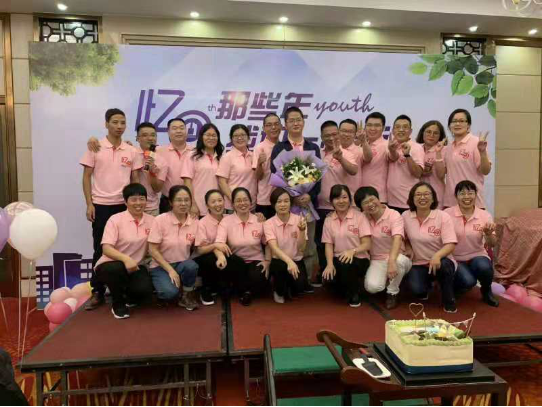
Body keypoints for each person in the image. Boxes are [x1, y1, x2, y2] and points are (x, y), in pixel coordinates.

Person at [80, 109, 143, 311]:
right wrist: (89, 204)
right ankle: (97, 291)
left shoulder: (131, 151)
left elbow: (135, 179)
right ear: (106, 124)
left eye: (122, 122)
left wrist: (135, 204)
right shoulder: (95, 147)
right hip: (101, 206)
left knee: (126, 247)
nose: (119, 126)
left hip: (125, 206)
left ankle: (123, 288)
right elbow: (86, 177)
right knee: (100, 248)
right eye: (115, 122)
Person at [270, 107, 322, 286]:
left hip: (308, 204)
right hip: (288, 205)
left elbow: (318, 177)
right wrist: (293, 197)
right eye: (291, 120)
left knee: (307, 243)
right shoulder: (279, 147)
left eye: (298, 119)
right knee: (288, 243)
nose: (295, 123)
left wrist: (309, 195)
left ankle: (304, 280)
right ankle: (288, 280)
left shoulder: (313, 147)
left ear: (303, 122)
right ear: (285, 125)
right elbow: (276, 174)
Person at [94, 183, 154, 319]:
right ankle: (118, 303)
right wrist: (126, 259)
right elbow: (106, 248)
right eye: (133, 199)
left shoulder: (152, 221)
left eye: (142, 199)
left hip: (136, 266)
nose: (138, 203)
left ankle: (127, 293)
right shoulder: (115, 220)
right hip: (111, 264)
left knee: (144, 292)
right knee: (115, 269)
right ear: (126, 202)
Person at [403, 182, 458, 313]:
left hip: (441, 261)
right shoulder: (405, 216)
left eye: (426, 194)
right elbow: (403, 238)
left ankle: (449, 299)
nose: (422, 197)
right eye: (418, 194)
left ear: (433, 198)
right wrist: (408, 248)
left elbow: (451, 243)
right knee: (418, 290)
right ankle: (428, 284)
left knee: (445, 267)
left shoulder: (442, 216)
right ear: (412, 199)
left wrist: (437, 256)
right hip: (418, 262)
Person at [355, 187, 412, 310]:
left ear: (378, 198)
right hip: (377, 259)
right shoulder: (362, 217)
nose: (370, 204)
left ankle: (392, 292)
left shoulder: (393, 214)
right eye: (365, 203)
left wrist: (391, 261)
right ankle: (390, 279)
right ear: (361, 207)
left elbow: (398, 238)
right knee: (372, 287)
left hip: (398, 256)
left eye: (372, 199)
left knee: (398, 262)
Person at [445, 181, 499, 307]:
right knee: (468, 281)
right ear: (456, 196)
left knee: (485, 267)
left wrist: (488, 234)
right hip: (454, 258)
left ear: (476, 195)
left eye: (470, 193)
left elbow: (492, 244)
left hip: (477, 255)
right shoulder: (446, 214)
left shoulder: (484, 215)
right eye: (462, 193)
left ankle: (486, 291)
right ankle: (453, 287)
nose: (466, 197)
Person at [215, 188, 271, 306]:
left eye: (245, 200)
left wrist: (267, 261)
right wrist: (220, 256)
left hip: (255, 260)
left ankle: (243, 290)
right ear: (233, 204)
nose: (242, 203)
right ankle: (246, 291)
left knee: (260, 278)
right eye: (238, 200)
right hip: (236, 262)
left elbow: (268, 243)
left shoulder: (259, 220)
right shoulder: (226, 221)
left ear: (250, 202)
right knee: (234, 264)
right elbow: (219, 243)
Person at [148, 185, 200, 311]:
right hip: (161, 266)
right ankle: (160, 284)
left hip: (182, 263)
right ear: (171, 202)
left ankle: (187, 294)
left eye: (186, 200)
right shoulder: (160, 220)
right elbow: (152, 250)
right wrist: (170, 270)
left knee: (191, 266)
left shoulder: (195, 222)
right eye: (178, 200)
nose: (183, 203)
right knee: (169, 293)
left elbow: (200, 246)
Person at [316, 121, 358, 274]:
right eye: (327, 135)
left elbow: (353, 170)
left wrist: (340, 158)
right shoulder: (317, 154)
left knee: (342, 242)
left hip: (341, 207)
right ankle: (325, 273)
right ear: (321, 136)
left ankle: (341, 273)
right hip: (320, 207)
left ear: (339, 134)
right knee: (321, 243)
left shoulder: (346, 153)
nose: (331, 138)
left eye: (334, 134)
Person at [322, 185, 372, 308]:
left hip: (359, 258)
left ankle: (354, 294)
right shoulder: (328, 220)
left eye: (344, 197)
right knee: (329, 279)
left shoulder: (359, 217)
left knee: (347, 265)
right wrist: (329, 264)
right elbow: (328, 244)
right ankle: (346, 287)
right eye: (337, 198)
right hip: (338, 258)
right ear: (331, 201)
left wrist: (352, 251)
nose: (341, 201)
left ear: (350, 199)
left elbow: (367, 244)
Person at [264, 188, 311, 304]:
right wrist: (289, 262)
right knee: (281, 270)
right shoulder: (268, 223)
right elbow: (274, 248)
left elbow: (301, 248)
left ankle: (289, 287)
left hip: (296, 260)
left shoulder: (300, 220)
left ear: (291, 203)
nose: (283, 204)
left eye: (286, 201)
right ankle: (278, 290)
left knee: (300, 286)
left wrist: (301, 231)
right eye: (279, 202)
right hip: (279, 261)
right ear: (273, 204)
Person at [443, 109, 492, 209]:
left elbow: (485, 171)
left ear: (468, 125)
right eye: (454, 121)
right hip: (451, 202)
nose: (457, 124)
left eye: (461, 121)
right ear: (449, 126)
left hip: (472, 202)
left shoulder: (476, 142)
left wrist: (482, 152)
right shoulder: (448, 148)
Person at [195, 189, 232, 306]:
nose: (217, 204)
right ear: (207, 206)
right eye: (213, 202)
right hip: (205, 256)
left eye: (220, 200)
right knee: (210, 259)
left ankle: (222, 286)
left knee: (236, 260)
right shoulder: (202, 223)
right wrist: (215, 245)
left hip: (225, 254)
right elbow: (200, 250)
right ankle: (205, 289)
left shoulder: (229, 218)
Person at [182, 123, 224, 218]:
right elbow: (187, 182)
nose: (211, 138)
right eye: (208, 135)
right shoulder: (192, 155)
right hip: (197, 207)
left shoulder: (221, 157)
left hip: (216, 207)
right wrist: (192, 204)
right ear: (201, 137)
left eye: (214, 135)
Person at [387, 115, 425, 214]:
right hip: (390, 201)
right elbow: (393, 158)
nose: (401, 130)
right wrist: (392, 150)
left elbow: (418, 173)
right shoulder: (390, 146)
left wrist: (407, 155)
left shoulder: (416, 147)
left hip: (407, 202)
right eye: (398, 127)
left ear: (410, 131)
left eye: (405, 127)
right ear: (393, 130)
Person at [217, 124, 257, 213]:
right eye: (236, 136)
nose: (239, 138)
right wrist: (234, 200)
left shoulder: (253, 156)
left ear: (248, 137)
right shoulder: (227, 157)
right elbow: (222, 182)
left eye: (243, 135)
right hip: (233, 206)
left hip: (251, 205)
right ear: (231, 139)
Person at [157, 118, 193, 213]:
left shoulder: (195, 151)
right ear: (168, 132)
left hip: (190, 200)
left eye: (181, 128)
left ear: (186, 131)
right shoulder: (159, 151)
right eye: (174, 128)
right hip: (167, 201)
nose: (178, 131)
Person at [252, 113, 282, 219]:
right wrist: (260, 164)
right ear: (264, 128)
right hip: (265, 201)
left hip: (283, 199)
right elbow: (258, 177)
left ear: (281, 126)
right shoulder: (259, 148)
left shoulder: (285, 147)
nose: (273, 127)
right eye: (269, 125)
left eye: (276, 124)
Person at [416, 120, 447, 208]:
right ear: (422, 133)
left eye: (435, 133)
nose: (431, 135)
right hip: (418, 195)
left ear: (440, 136)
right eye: (428, 132)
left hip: (437, 195)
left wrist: (438, 153)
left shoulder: (445, 150)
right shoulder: (416, 148)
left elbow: (441, 175)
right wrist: (420, 172)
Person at [338, 119, 372, 195]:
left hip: (353, 196)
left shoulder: (359, 150)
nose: (346, 134)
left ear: (355, 134)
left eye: (350, 132)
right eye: (343, 131)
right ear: (338, 131)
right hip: (332, 196)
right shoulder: (331, 150)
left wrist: (363, 140)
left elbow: (369, 158)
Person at [361, 112, 389, 203]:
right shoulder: (360, 145)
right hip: (359, 197)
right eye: (369, 125)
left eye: (377, 125)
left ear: (383, 128)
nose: (372, 128)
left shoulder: (387, 145)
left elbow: (393, 156)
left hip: (378, 198)